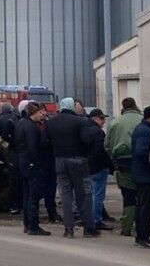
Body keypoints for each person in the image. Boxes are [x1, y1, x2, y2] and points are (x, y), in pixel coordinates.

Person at [45, 97, 99, 238]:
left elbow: (45, 143)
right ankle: (89, 228)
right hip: (78, 160)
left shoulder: (51, 122)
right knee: (84, 194)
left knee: (66, 194)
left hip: (60, 161)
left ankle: (68, 229)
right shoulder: (80, 121)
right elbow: (87, 141)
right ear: (71, 107)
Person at [106, 97, 142, 237]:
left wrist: (114, 159)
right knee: (147, 195)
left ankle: (126, 227)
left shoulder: (115, 122)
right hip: (142, 163)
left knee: (128, 195)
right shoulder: (143, 120)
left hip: (122, 163)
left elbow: (107, 145)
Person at [17, 102, 51, 235]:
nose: (41, 115)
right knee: (33, 195)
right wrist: (38, 163)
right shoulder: (32, 127)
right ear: (33, 113)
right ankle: (33, 225)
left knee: (26, 193)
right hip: (32, 163)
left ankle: (27, 223)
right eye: (39, 113)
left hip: (22, 161)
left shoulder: (20, 123)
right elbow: (33, 148)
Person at [131, 105, 150, 248]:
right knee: (146, 207)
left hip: (142, 174)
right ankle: (144, 237)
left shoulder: (145, 129)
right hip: (145, 175)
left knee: (144, 206)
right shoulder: (144, 131)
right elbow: (142, 152)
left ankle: (141, 236)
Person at [84, 108, 114, 231]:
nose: (104, 121)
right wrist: (109, 165)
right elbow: (101, 151)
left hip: (87, 166)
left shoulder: (84, 129)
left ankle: (89, 218)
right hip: (98, 167)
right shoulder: (98, 132)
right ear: (95, 119)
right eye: (102, 119)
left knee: (90, 194)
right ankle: (96, 220)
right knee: (98, 195)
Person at [0, 102, 21, 214]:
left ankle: (11, 204)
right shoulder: (16, 119)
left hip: (5, 150)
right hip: (16, 152)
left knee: (13, 179)